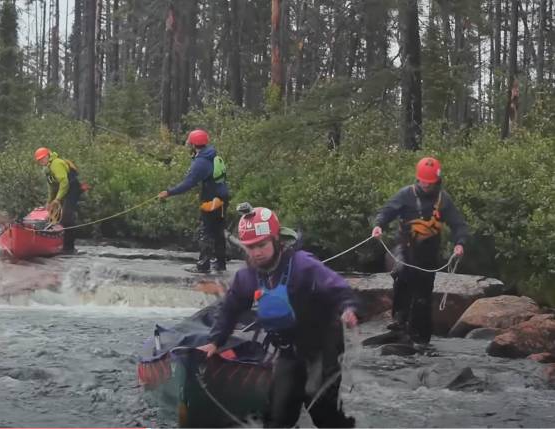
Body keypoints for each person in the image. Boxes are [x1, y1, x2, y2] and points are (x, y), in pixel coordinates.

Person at [198, 207, 358, 428]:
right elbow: (230, 309)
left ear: (276, 239)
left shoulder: (303, 265)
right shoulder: (246, 277)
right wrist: (215, 341)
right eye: (251, 247)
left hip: (323, 345)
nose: (256, 253)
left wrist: (348, 308)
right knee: (278, 415)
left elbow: (339, 288)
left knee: (318, 402)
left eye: (262, 245)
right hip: (288, 349)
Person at [371, 156, 469, 345]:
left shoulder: (443, 200)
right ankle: (399, 321)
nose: (425, 185)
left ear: (437, 181)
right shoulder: (405, 194)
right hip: (406, 248)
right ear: (417, 178)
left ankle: (422, 338)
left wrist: (460, 243)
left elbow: (459, 225)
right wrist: (378, 226)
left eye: (429, 182)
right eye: (423, 181)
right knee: (401, 276)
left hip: (429, 254)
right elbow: (386, 212)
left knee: (423, 296)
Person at [158, 129, 230, 273]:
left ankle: (203, 266)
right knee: (218, 231)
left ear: (193, 144)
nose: (187, 144)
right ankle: (220, 264)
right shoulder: (212, 154)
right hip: (222, 198)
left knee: (206, 232)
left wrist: (169, 192)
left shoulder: (201, 162)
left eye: (189, 142)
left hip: (211, 201)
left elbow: (188, 183)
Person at [34, 147, 84, 254]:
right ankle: (57, 243)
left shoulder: (56, 164)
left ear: (48, 156)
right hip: (64, 189)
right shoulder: (47, 169)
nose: (42, 161)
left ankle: (69, 248)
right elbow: (52, 187)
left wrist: (57, 199)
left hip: (73, 188)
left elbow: (64, 183)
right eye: (39, 160)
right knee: (55, 216)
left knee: (66, 216)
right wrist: (49, 201)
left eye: (43, 158)